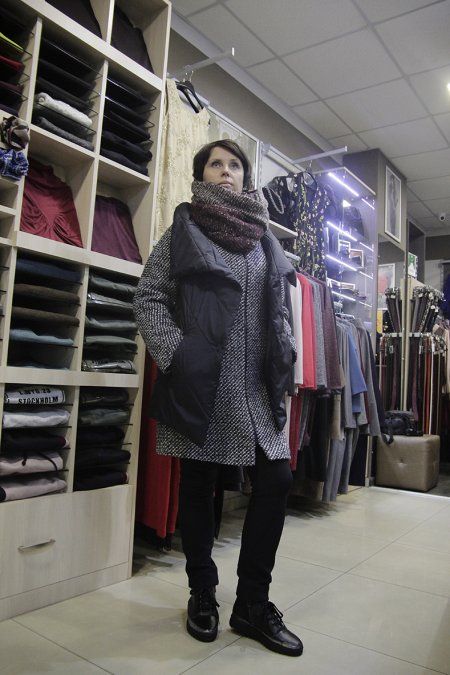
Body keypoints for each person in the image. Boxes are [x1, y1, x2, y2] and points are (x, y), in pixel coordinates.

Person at [133, 139, 303, 657]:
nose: (226, 171)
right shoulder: (184, 229)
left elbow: (278, 309)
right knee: (199, 486)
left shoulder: (264, 238)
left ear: (245, 176)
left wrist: (287, 356)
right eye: (216, 164)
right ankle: (202, 591)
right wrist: (178, 355)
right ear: (201, 174)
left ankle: (252, 602)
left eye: (235, 165)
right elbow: (148, 297)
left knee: (277, 480)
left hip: (258, 387)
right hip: (202, 383)